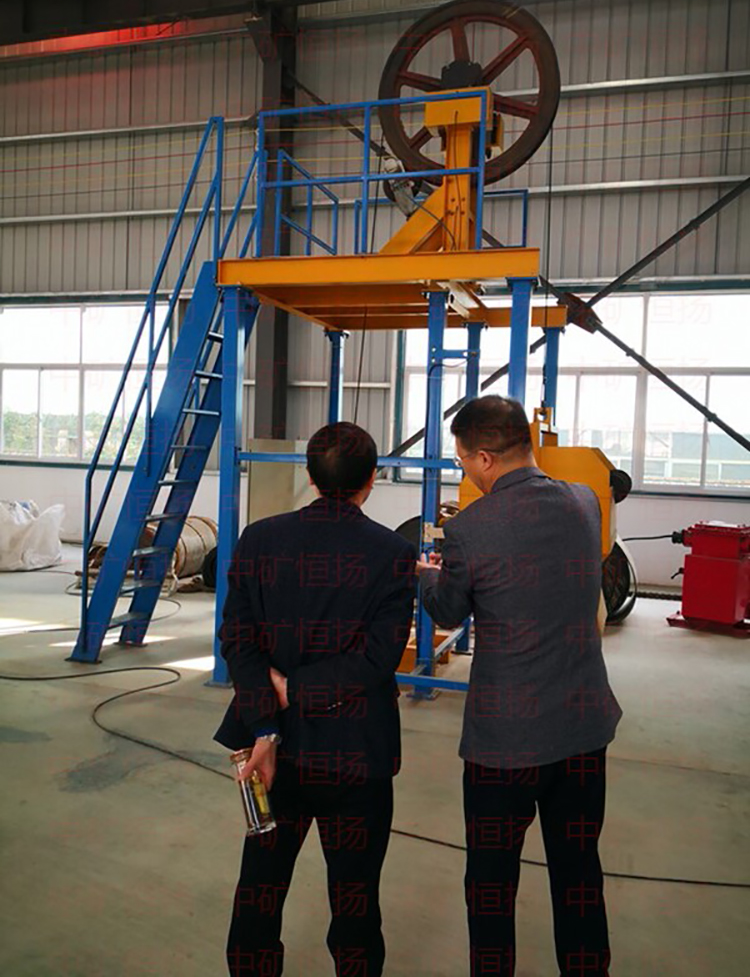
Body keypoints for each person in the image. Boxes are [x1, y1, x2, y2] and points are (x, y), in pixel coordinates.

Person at [416, 395, 622, 977]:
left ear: (483, 459)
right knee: (579, 874)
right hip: (583, 730)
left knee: (490, 885)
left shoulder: (470, 529)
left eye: (461, 461)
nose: (464, 470)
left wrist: (427, 579)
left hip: (504, 745)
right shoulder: (584, 502)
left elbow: (450, 612)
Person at [215, 421, 417, 977]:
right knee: (355, 900)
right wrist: (301, 689)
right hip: (356, 757)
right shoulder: (392, 553)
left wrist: (266, 724)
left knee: (259, 890)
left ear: (309, 475)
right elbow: (377, 659)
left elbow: (238, 639)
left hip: (271, 754)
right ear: (372, 480)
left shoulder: (259, 539)